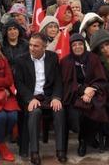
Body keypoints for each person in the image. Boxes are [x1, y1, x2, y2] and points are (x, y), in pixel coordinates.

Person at [13, 34, 67, 164]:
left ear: (44, 46)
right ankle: (34, 152)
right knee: (35, 113)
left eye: (36, 46)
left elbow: (58, 80)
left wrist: (56, 97)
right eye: (30, 45)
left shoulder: (53, 57)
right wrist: (30, 98)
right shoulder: (21, 60)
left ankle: (60, 150)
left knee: (59, 110)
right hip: (31, 97)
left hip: (48, 96)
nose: (32, 48)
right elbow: (19, 84)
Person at [60, 33, 109, 157]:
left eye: (80, 44)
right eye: (74, 45)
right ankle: (83, 139)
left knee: (97, 108)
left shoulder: (93, 58)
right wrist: (83, 90)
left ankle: (86, 139)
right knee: (78, 113)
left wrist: (92, 89)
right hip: (73, 95)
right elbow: (66, 83)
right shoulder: (66, 61)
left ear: (84, 45)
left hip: (94, 93)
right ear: (71, 47)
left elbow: (101, 78)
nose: (77, 47)